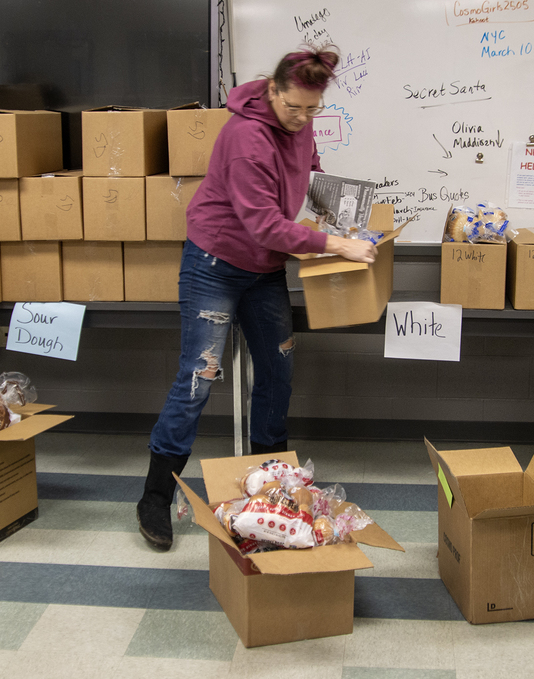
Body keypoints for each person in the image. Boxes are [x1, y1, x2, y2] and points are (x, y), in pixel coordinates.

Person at [135, 46, 377, 551]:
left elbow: (308, 170)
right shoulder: (245, 137)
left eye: (313, 110)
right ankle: (154, 496)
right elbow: (264, 224)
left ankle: (276, 488)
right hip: (216, 264)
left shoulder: (300, 119)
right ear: (272, 90)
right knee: (198, 379)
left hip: (265, 268)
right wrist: (337, 244)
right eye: (295, 108)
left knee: (278, 370)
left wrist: (334, 210)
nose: (303, 119)